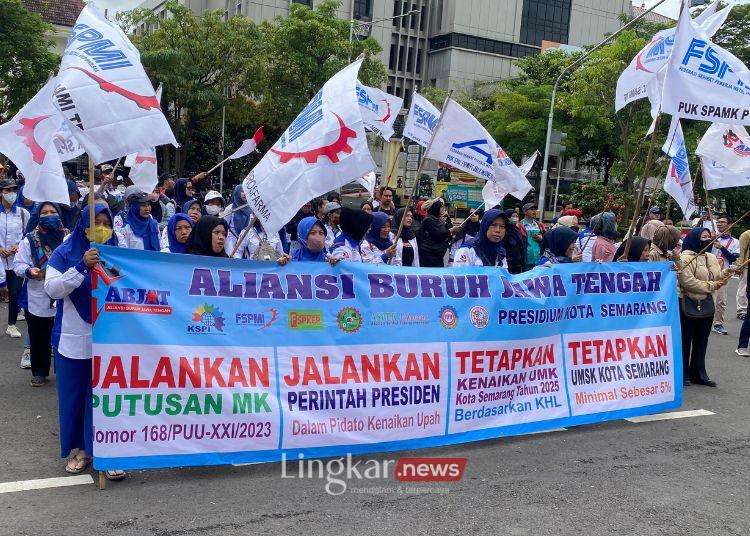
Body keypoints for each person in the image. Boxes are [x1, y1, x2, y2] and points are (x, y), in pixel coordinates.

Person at [45, 203, 124, 480]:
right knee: (76, 398)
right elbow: (52, 289)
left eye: (106, 222)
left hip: (110, 337)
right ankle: (82, 450)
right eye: (95, 222)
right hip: (72, 340)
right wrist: (81, 266)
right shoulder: (64, 253)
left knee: (105, 397)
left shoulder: (118, 254)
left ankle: (107, 450)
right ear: (82, 224)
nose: (101, 228)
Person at [14, 202, 67, 386]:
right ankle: (39, 371)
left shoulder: (67, 237)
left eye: (53, 211)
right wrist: (30, 271)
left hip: (63, 295)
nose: (49, 215)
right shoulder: (29, 239)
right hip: (37, 295)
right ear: (38, 216)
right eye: (45, 212)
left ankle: (65, 372)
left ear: (59, 214)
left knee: (63, 337)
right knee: (39, 336)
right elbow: (18, 264)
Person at [677, 228, 731, 387]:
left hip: (707, 303)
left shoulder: (711, 257)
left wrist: (727, 273)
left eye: (709, 237)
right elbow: (688, 282)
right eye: (703, 237)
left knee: (702, 341)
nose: (707, 240)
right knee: (685, 340)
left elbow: (718, 277)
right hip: (688, 303)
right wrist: (712, 285)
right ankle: (683, 373)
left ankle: (699, 373)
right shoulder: (685, 258)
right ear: (694, 239)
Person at [0, 178, 30, 338]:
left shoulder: (23, 214)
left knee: (14, 293)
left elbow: (28, 235)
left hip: (15, 261)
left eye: (13, 190)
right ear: (1, 193)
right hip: (0, 260)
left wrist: (19, 246)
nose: (11, 194)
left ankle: (11, 324)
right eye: (7, 191)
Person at [711, 216, 739, 336]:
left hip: (723, 274)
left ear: (729, 225)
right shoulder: (710, 237)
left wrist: (721, 247)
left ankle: (718, 324)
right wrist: (709, 241)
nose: (719, 224)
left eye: (723, 222)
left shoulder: (735, 242)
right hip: (707, 271)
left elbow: (733, 258)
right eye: (718, 222)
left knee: (721, 300)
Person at [418, 198, 461, 268]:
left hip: (438, 254)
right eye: (441, 206)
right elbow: (438, 234)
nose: (443, 208)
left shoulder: (437, 219)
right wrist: (451, 230)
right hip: (430, 254)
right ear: (435, 208)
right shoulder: (429, 219)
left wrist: (452, 233)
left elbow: (443, 235)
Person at [116, 187, 160, 251]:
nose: (147, 208)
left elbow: (161, 247)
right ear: (135, 207)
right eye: (143, 205)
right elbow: (124, 252)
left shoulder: (154, 225)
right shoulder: (127, 228)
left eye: (148, 205)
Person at [516, 203, 546, 270]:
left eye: (535, 209)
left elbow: (545, 238)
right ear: (525, 211)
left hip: (539, 257)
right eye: (531, 209)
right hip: (526, 258)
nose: (534, 211)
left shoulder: (539, 225)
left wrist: (541, 239)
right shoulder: (519, 225)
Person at [736, 229, 750, 320]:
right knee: (743, 288)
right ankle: (741, 310)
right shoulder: (746, 234)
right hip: (747, 266)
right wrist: (739, 266)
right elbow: (741, 251)